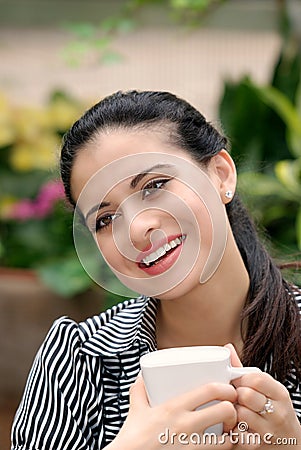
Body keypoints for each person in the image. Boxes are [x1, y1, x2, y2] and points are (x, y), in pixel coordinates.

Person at [11, 90, 301, 450]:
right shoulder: (78, 358)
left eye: (154, 186)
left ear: (221, 175)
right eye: (105, 219)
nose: (135, 230)